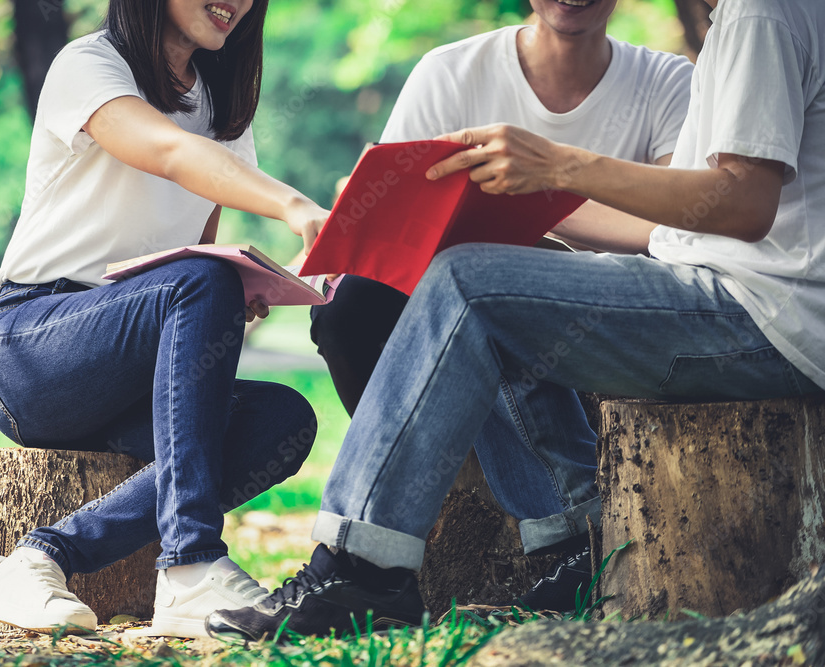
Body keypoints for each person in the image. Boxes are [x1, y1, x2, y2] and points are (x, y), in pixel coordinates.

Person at [209, 0, 825, 639]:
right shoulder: (742, 16)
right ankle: (577, 547)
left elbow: (746, 202)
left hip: (758, 314)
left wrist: (556, 169)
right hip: (734, 294)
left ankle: (359, 570)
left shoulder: (761, 12)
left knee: (470, 284)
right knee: (490, 285)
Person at [309, 0, 693, 611]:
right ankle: (391, 527)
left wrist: (539, 207)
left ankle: (570, 542)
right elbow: (397, 210)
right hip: (455, 292)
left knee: (489, 295)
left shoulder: (669, 81)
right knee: (351, 307)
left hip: (600, 308)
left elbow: (676, 229)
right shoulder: (451, 71)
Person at [0, 0, 331, 638]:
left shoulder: (221, 113)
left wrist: (242, 298)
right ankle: (191, 563)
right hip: (28, 346)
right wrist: (294, 206)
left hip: (130, 373)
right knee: (201, 280)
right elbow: (167, 152)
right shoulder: (88, 64)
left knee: (282, 419)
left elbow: (198, 254)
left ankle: (39, 559)